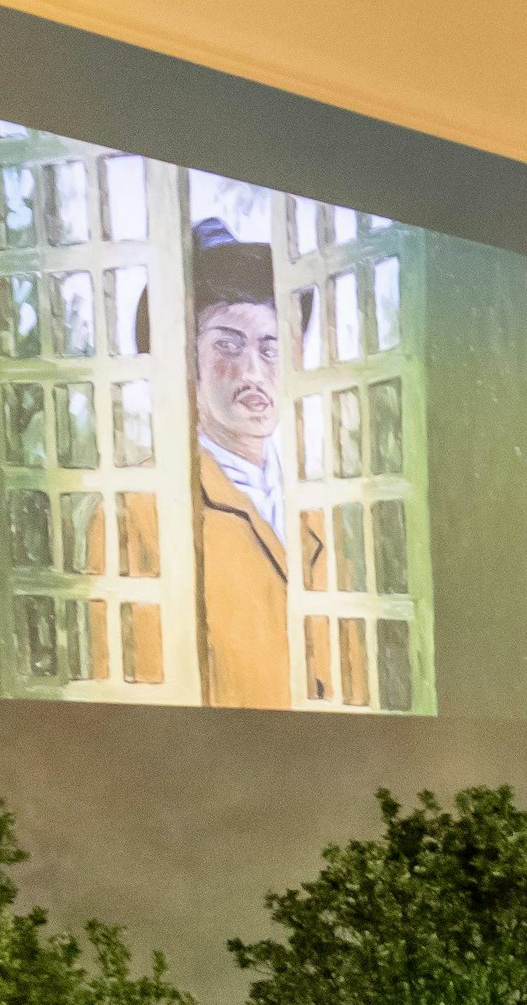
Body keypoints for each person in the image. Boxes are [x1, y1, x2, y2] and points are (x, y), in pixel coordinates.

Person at [185, 223, 325, 707]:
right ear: (190, 360)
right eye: (227, 344)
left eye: (271, 348)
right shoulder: (145, 508)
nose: (252, 372)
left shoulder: (325, 504)